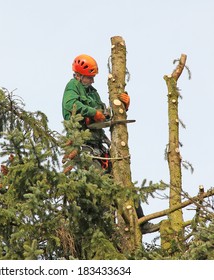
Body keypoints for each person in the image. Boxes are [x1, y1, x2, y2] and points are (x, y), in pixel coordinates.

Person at [62, 54, 157, 234]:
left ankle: (141, 222)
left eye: (93, 77)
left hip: (99, 144)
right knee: (100, 185)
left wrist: (122, 106)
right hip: (84, 146)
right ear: (80, 75)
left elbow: (104, 113)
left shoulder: (92, 92)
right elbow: (70, 106)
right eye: (89, 77)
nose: (92, 80)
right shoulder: (72, 87)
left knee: (123, 180)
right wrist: (91, 113)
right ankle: (105, 229)